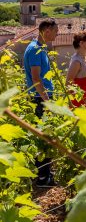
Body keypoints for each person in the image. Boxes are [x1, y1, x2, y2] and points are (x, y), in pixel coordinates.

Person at [24, 18, 59, 187]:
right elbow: (36, 78)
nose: (57, 34)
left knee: (46, 136)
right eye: (55, 31)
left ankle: (45, 173)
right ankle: (43, 178)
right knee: (43, 137)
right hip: (40, 99)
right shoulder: (35, 50)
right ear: (46, 31)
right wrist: (47, 100)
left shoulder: (39, 48)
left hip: (42, 97)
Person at [66, 31, 86, 107]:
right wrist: (71, 103)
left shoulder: (85, 56)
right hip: (81, 99)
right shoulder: (76, 62)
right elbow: (68, 83)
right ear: (81, 43)